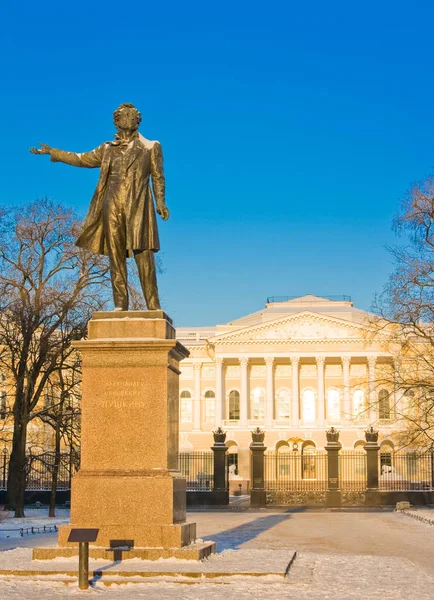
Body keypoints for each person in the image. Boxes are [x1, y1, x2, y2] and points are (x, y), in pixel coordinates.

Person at [30, 103, 169, 311]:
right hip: (111, 205)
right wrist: (54, 152)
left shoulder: (151, 147)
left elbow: (158, 176)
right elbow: (82, 159)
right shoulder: (107, 149)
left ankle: (153, 306)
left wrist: (160, 202)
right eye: (124, 115)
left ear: (138, 121)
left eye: (133, 116)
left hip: (139, 205)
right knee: (116, 255)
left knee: (144, 255)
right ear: (117, 121)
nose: (129, 118)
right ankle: (120, 305)